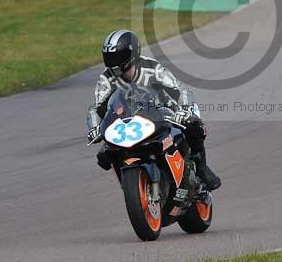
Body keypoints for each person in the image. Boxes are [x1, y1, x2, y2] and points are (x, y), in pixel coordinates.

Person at [86, 29, 221, 190]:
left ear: (132, 53)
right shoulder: (106, 78)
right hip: (128, 122)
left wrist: (184, 110)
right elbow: (96, 107)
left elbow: (180, 89)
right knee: (104, 155)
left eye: (118, 56)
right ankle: (132, 185)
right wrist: (94, 128)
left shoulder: (152, 68)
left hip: (162, 112)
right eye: (109, 56)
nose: (113, 62)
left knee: (194, 126)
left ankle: (201, 167)